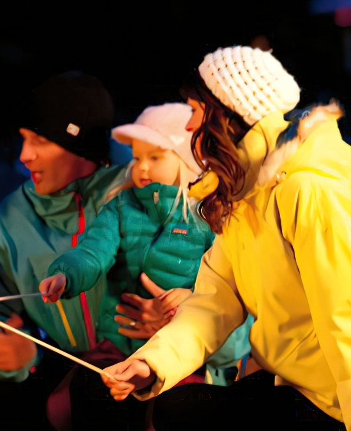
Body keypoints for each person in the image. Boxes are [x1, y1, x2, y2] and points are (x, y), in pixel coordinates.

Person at [101, 44, 351, 431]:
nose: (189, 127)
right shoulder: (246, 195)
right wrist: (153, 364)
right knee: (172, 408)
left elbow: (346, 312)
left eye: (196, 111)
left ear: (228, 114)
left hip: (342, 401)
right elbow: (212, 303)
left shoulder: (310, 192)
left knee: (180, 413)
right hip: (295, 381)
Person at [0, 73, 173, 431]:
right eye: (24, 139)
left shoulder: (142, 188)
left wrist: (173, 318)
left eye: (40, 141)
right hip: (66, 363)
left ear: (80, 147)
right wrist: (0, 349)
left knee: (98, 396)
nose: (25, 155)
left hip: (143, 361)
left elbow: (210, 282)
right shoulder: (14, 216)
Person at [40, 103, 250, 381]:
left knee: (169, 413)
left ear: (188, 160)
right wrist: (65, 275)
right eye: (137, 158)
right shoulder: (121, 206)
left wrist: (188, 301)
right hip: (118, 345)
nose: (142, 167)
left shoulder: (211, 216)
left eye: (155, 157)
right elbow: (94, 251)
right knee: (81, 398)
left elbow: (228, 290)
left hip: (187, 358)